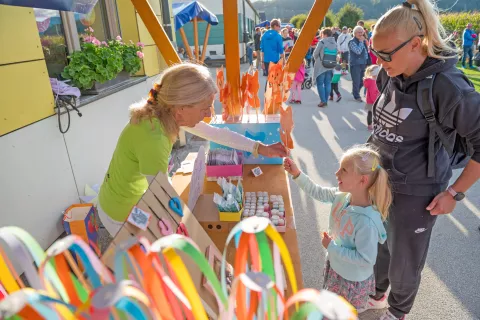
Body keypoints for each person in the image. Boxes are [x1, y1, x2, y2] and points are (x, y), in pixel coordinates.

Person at [366, 1, 480, 319]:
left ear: (416, 44)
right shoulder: (390, 72)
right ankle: (376, 293)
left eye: (386, 54)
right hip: (381, 182)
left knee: (405, 258)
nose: (379, 61)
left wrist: (455, 193)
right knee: (379, 242)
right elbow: (381, 127)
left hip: (418, 192)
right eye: (376, 53)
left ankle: (397, 311)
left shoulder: (448, 87)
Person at [97, 63, 289, 237]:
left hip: (132, 195)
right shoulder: (153, 138)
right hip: (122, 213)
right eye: (205, 108)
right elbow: (164, 199)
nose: (209, 114)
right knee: (145, 261)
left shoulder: (166, 112)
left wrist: (260, 148)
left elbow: (216, 134)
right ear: (181, 108)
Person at [283, 145, 392, 311]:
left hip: (351, 281)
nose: (336, 173)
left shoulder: (366, 222)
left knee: (343, 312)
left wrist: (332, 248)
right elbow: (317, 192)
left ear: (362, 180)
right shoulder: (342, 196)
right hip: (337, 268)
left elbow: (365, 259)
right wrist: (297, 174)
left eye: (343, 170)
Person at [313, 28, 337, 108]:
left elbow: (315, 53)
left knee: (320, 84)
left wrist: (318, 60)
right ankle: (325, 100)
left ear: (325, 34)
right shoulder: (334, 42)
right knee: (327, 83)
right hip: (330, 66)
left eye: (322, 34)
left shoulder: (322, 42)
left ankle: (323, 101)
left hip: (321, 66)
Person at [349, 26, 369, 102]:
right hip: (355, 64)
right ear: (354, 33)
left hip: (363, 63)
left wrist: (367, 61)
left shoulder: (363, 41)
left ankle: (355, 91)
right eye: (359, 32)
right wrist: (361, 42)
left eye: (362, 32)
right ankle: (356, 96)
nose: (361, 34)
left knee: (362, 81)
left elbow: (366, 52)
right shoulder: (352, 41)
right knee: (356, 80)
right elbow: (358, 51)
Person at [363, 65, 380, 131]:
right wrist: (376, 100)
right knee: (375, 114)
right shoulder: (374, 82)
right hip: (374, 101)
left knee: (370, 113)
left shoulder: (369, 80)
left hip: (369, 100)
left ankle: (369, 125)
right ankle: (373, 125)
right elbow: (373, 93)